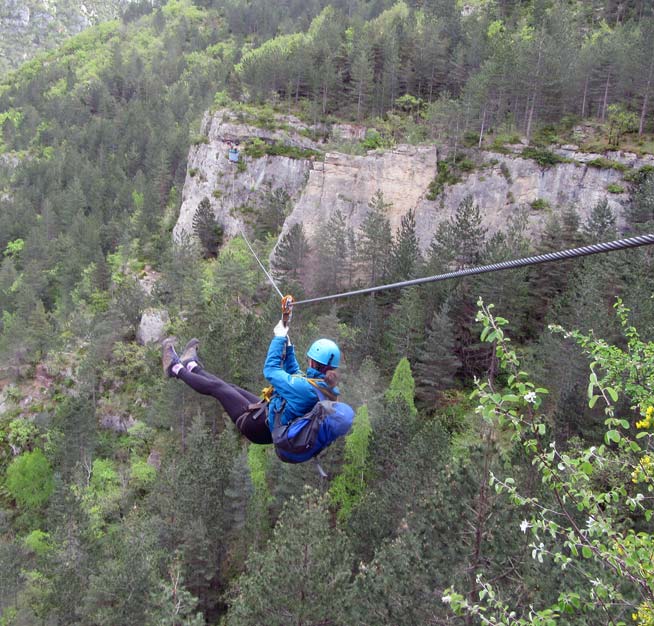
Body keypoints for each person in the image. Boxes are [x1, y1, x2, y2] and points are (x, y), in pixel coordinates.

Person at [161, 319, 353, 461]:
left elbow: (271, 370)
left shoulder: (306, 390)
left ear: (313, 360)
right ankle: (191, 365)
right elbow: (295, 373)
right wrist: (286, 342)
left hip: (257, 427)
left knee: (218, 389)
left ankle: (174, 369)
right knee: (230, 388)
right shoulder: (322, 387)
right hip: (268, 418)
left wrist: (278, 338)